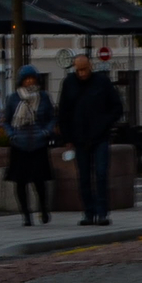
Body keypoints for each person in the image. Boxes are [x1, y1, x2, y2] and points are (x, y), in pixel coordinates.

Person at [55, 52, 125, 226]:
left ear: (91, 66)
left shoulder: (102, 82)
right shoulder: (69, 83)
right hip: (79, 138)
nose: (82, 73)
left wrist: (105, 124)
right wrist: (67, 137)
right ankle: (88, 212)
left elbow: (117, 107)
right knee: (84, 177)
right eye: (79, 70)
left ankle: (102, 213)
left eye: (85, 69)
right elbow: (63, 111)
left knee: (101, 174)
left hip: (100, 136)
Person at [3, 66, 56, 226]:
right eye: (27, 79)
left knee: (39, 181)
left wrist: (46, 132)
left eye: (32, 78)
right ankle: (25, 215)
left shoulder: (43, 97)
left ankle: (43, 209)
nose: (30, 81)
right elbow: (6, 121)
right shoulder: (13, 98)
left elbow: (51, 118)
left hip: (38, 144)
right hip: (19, 145)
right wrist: (12, 134)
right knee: (20, 182)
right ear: (21, 81)